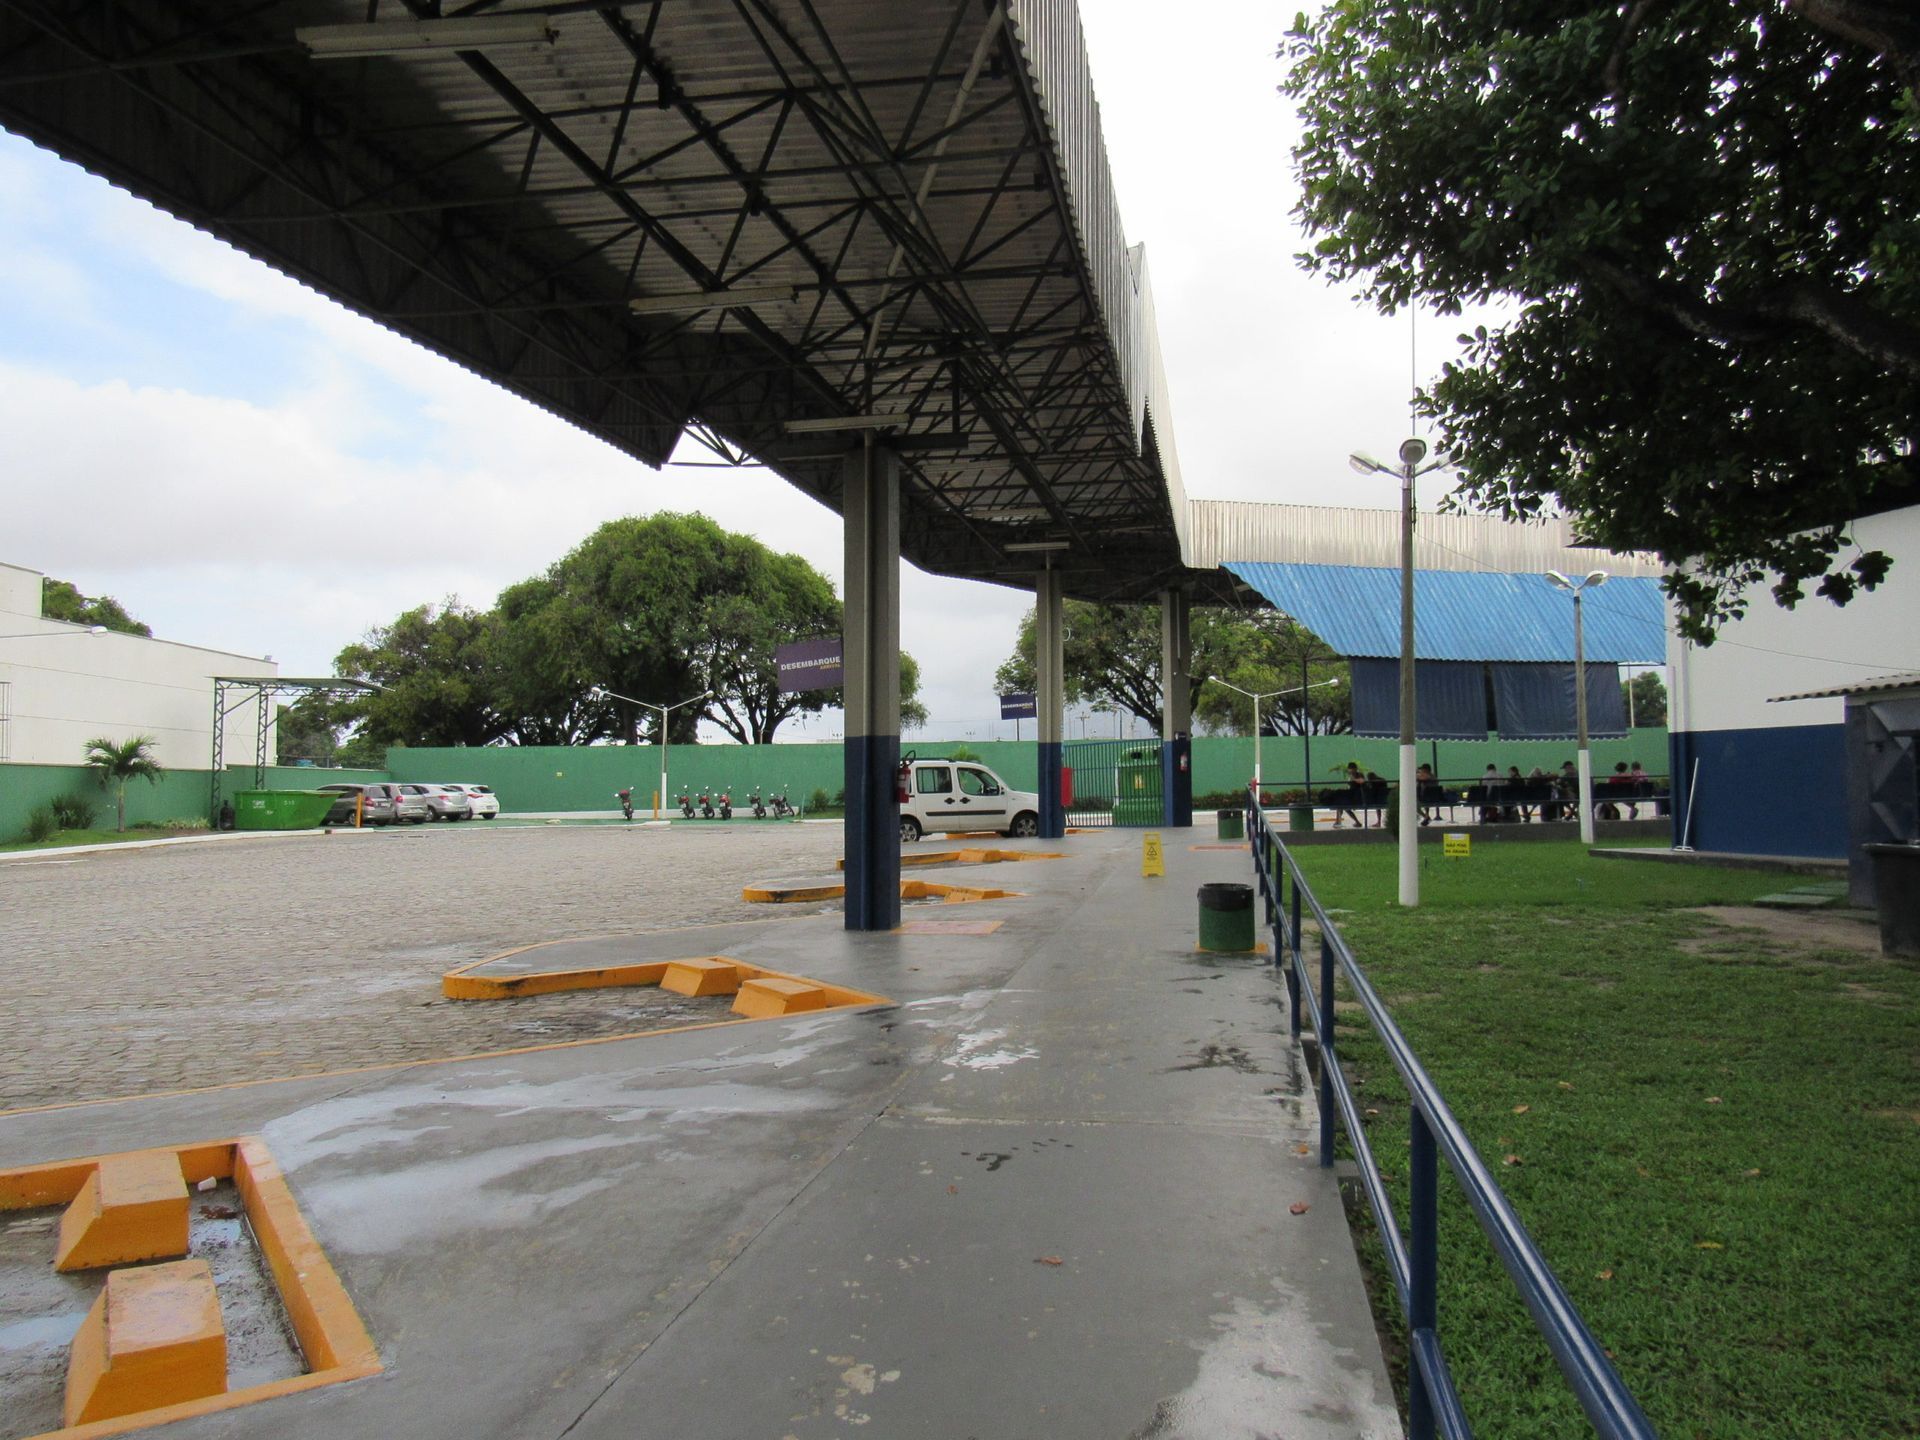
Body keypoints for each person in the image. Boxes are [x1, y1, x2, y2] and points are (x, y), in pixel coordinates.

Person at [1335, 761, 1364, 828]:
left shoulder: (1359, 775)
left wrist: (1353, 779)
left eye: (1351, 769)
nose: (1350, 771)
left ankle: (1338, 822)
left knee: (1341, 805)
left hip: (1357, 797)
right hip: (1352, 796)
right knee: (1343, 806)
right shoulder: (1351, 776)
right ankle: (1357, 822)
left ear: (1355, 769)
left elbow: (1361, 781)